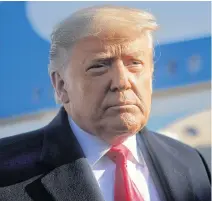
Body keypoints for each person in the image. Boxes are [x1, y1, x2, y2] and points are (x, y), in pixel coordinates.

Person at [0, 5, 210, 201]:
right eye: (99, 66)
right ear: (61, 85)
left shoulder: (190, 163)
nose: (121, 82)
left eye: (135, 63)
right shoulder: (6, 171)